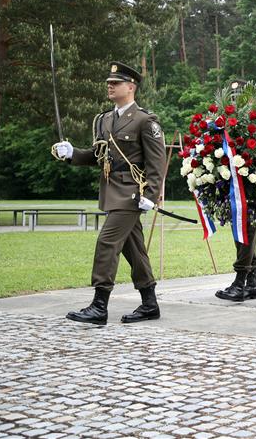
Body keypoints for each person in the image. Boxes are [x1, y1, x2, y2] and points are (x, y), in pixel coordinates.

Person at [52, 62, 166, 325]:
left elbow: (156, 162)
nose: (110, 86)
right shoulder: (104, 119)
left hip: (130, 194)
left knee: (107, 243)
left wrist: (151, 193)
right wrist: (72, 154)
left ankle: (99, 305)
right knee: (133, 248)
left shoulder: (144, 121)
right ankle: (150, 303)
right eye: (109, 82)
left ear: (131, 86)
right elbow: (99, 155)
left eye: (116, 83)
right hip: (111, 191)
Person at [215, 79, 256, 302]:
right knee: (242, 232)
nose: (234, 102)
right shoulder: (226, 124)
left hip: (252, 186)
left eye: (238, 98)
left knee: (246, 231)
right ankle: (251, 283)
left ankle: (241, 281)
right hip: (233, 185)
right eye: (232, 98)